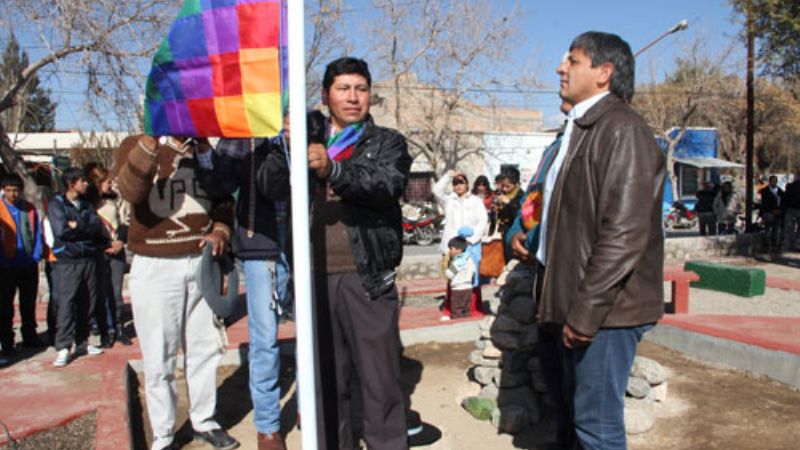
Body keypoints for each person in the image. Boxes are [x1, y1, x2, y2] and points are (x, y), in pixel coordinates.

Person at [535, 32, 666, 450]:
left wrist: (586, 313)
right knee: (575, 419)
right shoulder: (579, 128)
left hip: (606, 312)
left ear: (603, 73)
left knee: (597, 426)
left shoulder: (622, 129)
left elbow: (624, 234)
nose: (561, 68)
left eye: (573, 61)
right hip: (573, 302)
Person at [303, 57, 411, 450]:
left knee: (380, 380)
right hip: (314, 278)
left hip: (367, 279)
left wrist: (333, 170)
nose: (353, 97)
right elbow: (268, 183)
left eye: (361, 89)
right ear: (325, 95)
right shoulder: (304, 137)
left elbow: (385, 183)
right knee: (326, 381)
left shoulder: (388, 142)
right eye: (343, 89)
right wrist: (284, 147)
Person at [115, 135, 240, 450]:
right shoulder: (136, 145)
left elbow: (224, 198)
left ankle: (204, 420)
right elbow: (131, 190)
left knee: (205, 348)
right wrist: (151, 142)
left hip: (202, 260)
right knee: (159, 354)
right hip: (155, 263)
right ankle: (164, 433)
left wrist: (221, 230)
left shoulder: (203, 149)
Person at [196, 128, 290, 450]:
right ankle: (268, 426)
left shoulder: (311, 125)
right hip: (261, 242)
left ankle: (311, 404)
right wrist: (204, 148)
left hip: (308, 241)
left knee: (315, 329)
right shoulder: (243, 131)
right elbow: (220, 185)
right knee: (264, 339)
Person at [48, 167, 108, 367]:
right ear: (71, 183)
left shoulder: (86, 204)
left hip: (88, 258)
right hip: (68, 260)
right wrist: (83, 229)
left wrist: (78, 226)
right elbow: (62, 231)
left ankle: (82, 342)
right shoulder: (57, 204)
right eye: (82, 180)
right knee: (67, 303)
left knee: (88, 301)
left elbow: (97, 228)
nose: (86, 184)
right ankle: (63, 346)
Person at [433, 171, 488, 319]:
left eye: (461, 182)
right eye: (455, 183)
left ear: (467, 184)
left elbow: (483, 220)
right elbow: (436, 190)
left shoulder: (475, 201)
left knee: (471, 277)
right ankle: (450, 309)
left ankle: (473, 308)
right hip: (453, 246)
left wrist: (473, 239)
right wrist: (449, 175)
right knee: (452, 277)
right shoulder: (448, 200)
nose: (458, 186)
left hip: (471, 245)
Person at [86, 166, 131, 347]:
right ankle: (104, 329)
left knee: (116, 292)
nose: (110, 184)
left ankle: (119, 328)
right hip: (98, 251)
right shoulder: (88, 203)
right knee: (100, 293)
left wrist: (120, 240)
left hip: (117, 250)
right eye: (106, 181)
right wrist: (103, 245)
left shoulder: (116, 199)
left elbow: (125, 220)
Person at [1, 173, 44, 359]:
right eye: (9, 190)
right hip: (5, 266)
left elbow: (38, 233)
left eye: (16, 190)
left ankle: (30, 335)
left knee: (28, 303)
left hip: (27, 264)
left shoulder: (29, 209)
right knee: (5, 306)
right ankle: (7, 342)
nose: (12, 194)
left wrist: (36, 256)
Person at [495, 167, 524, 261]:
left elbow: (519, 215)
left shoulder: (521, 196)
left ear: (516, 184)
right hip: (503, 232)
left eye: (508, 186)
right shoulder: (501, 194)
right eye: (503, 186)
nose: (505, 189)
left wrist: (509, 203)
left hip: (515, 233)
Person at [444, 236, 474, 319]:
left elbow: (449, 274)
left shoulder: (457, 262)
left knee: (457, 308)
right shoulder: (469, 259)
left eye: (450, 249)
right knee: (466, 308)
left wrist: (446, 272)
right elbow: (473, 271)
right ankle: (467, 320)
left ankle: (457, 321)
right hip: (468, 287)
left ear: (457, 249)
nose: (449, 251)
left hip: (458, 288)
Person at [758, 175, 783, 250]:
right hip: (768, 212)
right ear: (769, 181)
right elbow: (764, 204)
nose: (774, 182)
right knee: (768, 229)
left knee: (776, 229)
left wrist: (780, 210)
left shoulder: (780, 191)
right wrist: (772, 211)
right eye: (772, 181)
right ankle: (767, 245)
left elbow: (783, 202)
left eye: (775, 181)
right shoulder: (765, 191)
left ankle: (775, 246)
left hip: (778, 213)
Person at [782, 172, 800, 252]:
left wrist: (784, 209)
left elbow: (785, 198)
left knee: (789, 228)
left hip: (791, 209)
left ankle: (787, 245)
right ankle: (797, 244)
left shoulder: (790, 186)